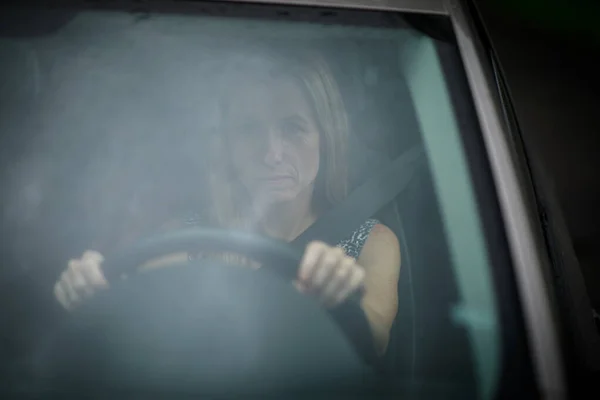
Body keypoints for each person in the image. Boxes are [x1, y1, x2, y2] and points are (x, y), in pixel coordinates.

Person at [53, 45, 401, 356]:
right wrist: (92, 295)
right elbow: (132, 322)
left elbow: (376, 339)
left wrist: (340, 300)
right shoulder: (185, 237)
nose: (272, 153)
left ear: (326, 137)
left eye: (293, 127)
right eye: (249, 129)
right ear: (228, 147)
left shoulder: (370, 241)